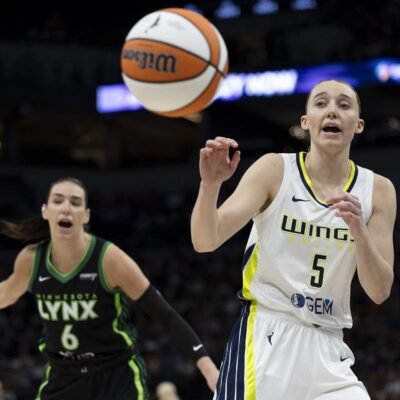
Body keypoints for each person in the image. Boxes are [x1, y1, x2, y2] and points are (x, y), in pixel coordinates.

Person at [191, 79, 396, 400]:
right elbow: (206, 240)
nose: (332, 111)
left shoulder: (378, 190)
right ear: (306, 121)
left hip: (329, 346)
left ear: (358, 124)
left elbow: (380, 290)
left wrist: (360, 232)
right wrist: (210, 186)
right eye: (321, 103)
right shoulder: (275, 170)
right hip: (266, 341)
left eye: (344, 105)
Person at [0, 177, 219, 400]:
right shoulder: (31, 260)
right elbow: (5, 295)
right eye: (58, 201)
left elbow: (165, 315)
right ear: (45, 211)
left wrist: (208, 368)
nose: (66, 208)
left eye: (75, 203)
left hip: (114, 377)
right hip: (62, 376)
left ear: (86, 215)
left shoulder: (109, 260)